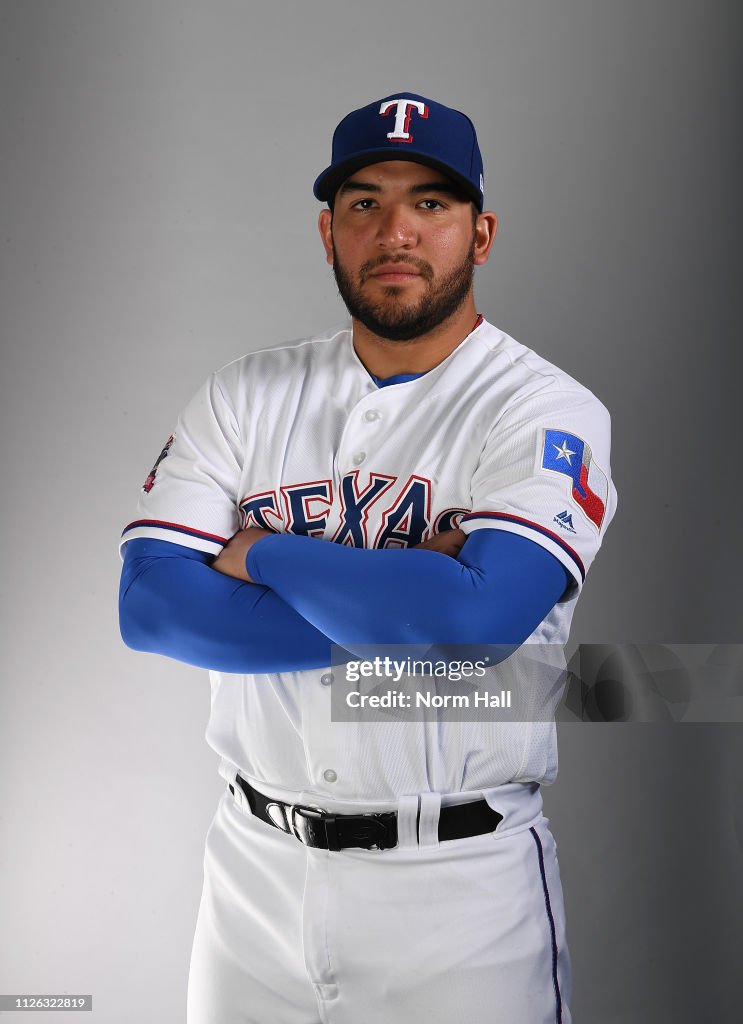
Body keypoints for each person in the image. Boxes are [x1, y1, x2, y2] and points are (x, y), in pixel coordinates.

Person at [119, 92, 617, 1023]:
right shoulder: (243, 394)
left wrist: (261, 550)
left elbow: (475, 624)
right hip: (250, 880)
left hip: (457, 894)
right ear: (328, 231)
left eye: (430, 203)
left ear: (481, 231)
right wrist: (404, 608)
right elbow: (151, 608)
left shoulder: (544, 408)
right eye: (364, 203)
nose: (395, 230)